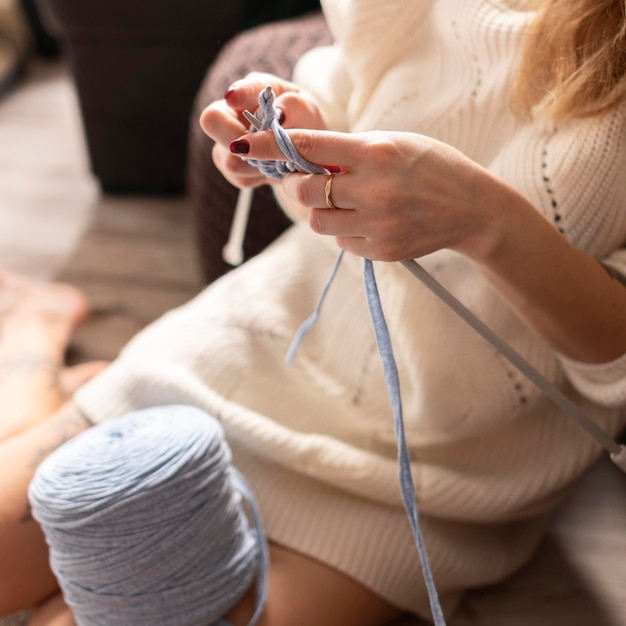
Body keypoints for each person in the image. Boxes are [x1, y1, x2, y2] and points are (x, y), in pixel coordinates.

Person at [2, 0, 626, 624]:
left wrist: (489, 221)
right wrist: (297, 137)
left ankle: (49, 358)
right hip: (260, 346)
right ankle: (39, 335)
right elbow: (341, 155)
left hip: (435, 467)